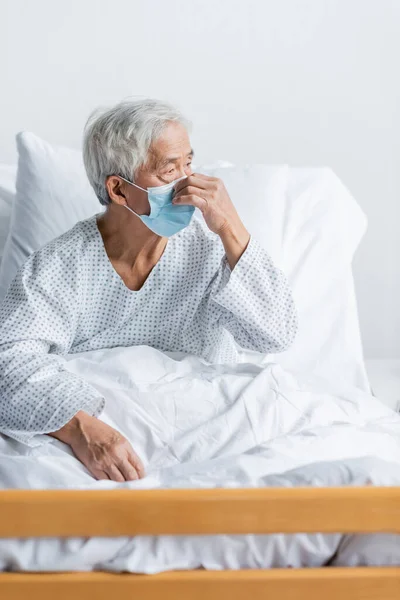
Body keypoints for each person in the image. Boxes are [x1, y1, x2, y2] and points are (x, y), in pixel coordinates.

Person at [0, 98, 297, 482]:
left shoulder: (211, 249)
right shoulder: (60, 266)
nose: (188, 182)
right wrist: (79, 428)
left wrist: (231, 227)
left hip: (205, 433)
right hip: (110, 442)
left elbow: (276, 334)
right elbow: (7, 363)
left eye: (189, 163)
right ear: (119, 190)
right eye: (169, 170)